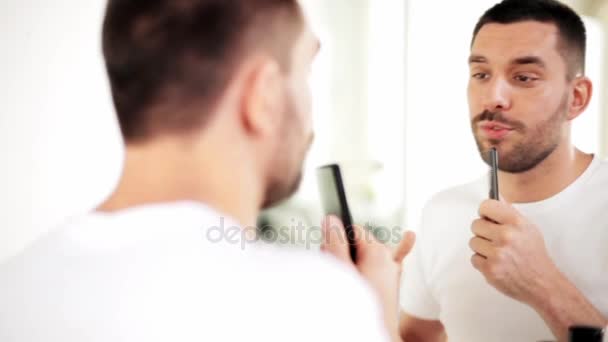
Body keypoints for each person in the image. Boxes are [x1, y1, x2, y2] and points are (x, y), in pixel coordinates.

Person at [0, 1, 415, 341]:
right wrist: (376, 320)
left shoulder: (15, 290)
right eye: (305, 71)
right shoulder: (312, 305)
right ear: (265, 95)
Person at [399, 0, 608, 341]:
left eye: (524, 77)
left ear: (577, 97)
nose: (493, 98)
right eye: (481, 74)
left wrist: (542, 284)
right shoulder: (442, 211)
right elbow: (416, 337)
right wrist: (370, 295)